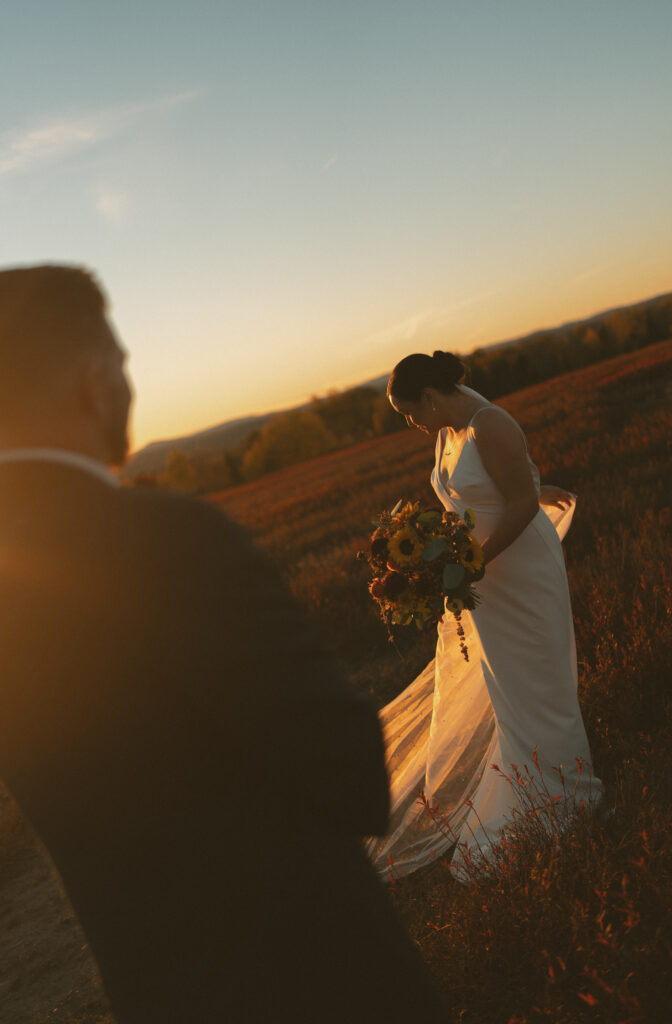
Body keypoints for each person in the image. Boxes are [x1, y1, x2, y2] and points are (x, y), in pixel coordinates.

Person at [0, 265, 448, 1024]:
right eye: (120, 364)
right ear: (90, 382)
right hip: (314, 974)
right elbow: (349, 772)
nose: (127, 388)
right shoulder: (173, 538)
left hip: (158, 992)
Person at [366, 351, 603, 882]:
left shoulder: (489, 423)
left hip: (520, 571)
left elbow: (520, 501)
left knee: (541, 682)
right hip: (487, 577)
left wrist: (475, 561)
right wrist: (442, 557)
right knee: (509, 690)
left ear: (429, 396)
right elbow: (485, 497)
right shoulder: (446, 432)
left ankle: (571, 800)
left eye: (409, 413)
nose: (411, 425)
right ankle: (532, 793)